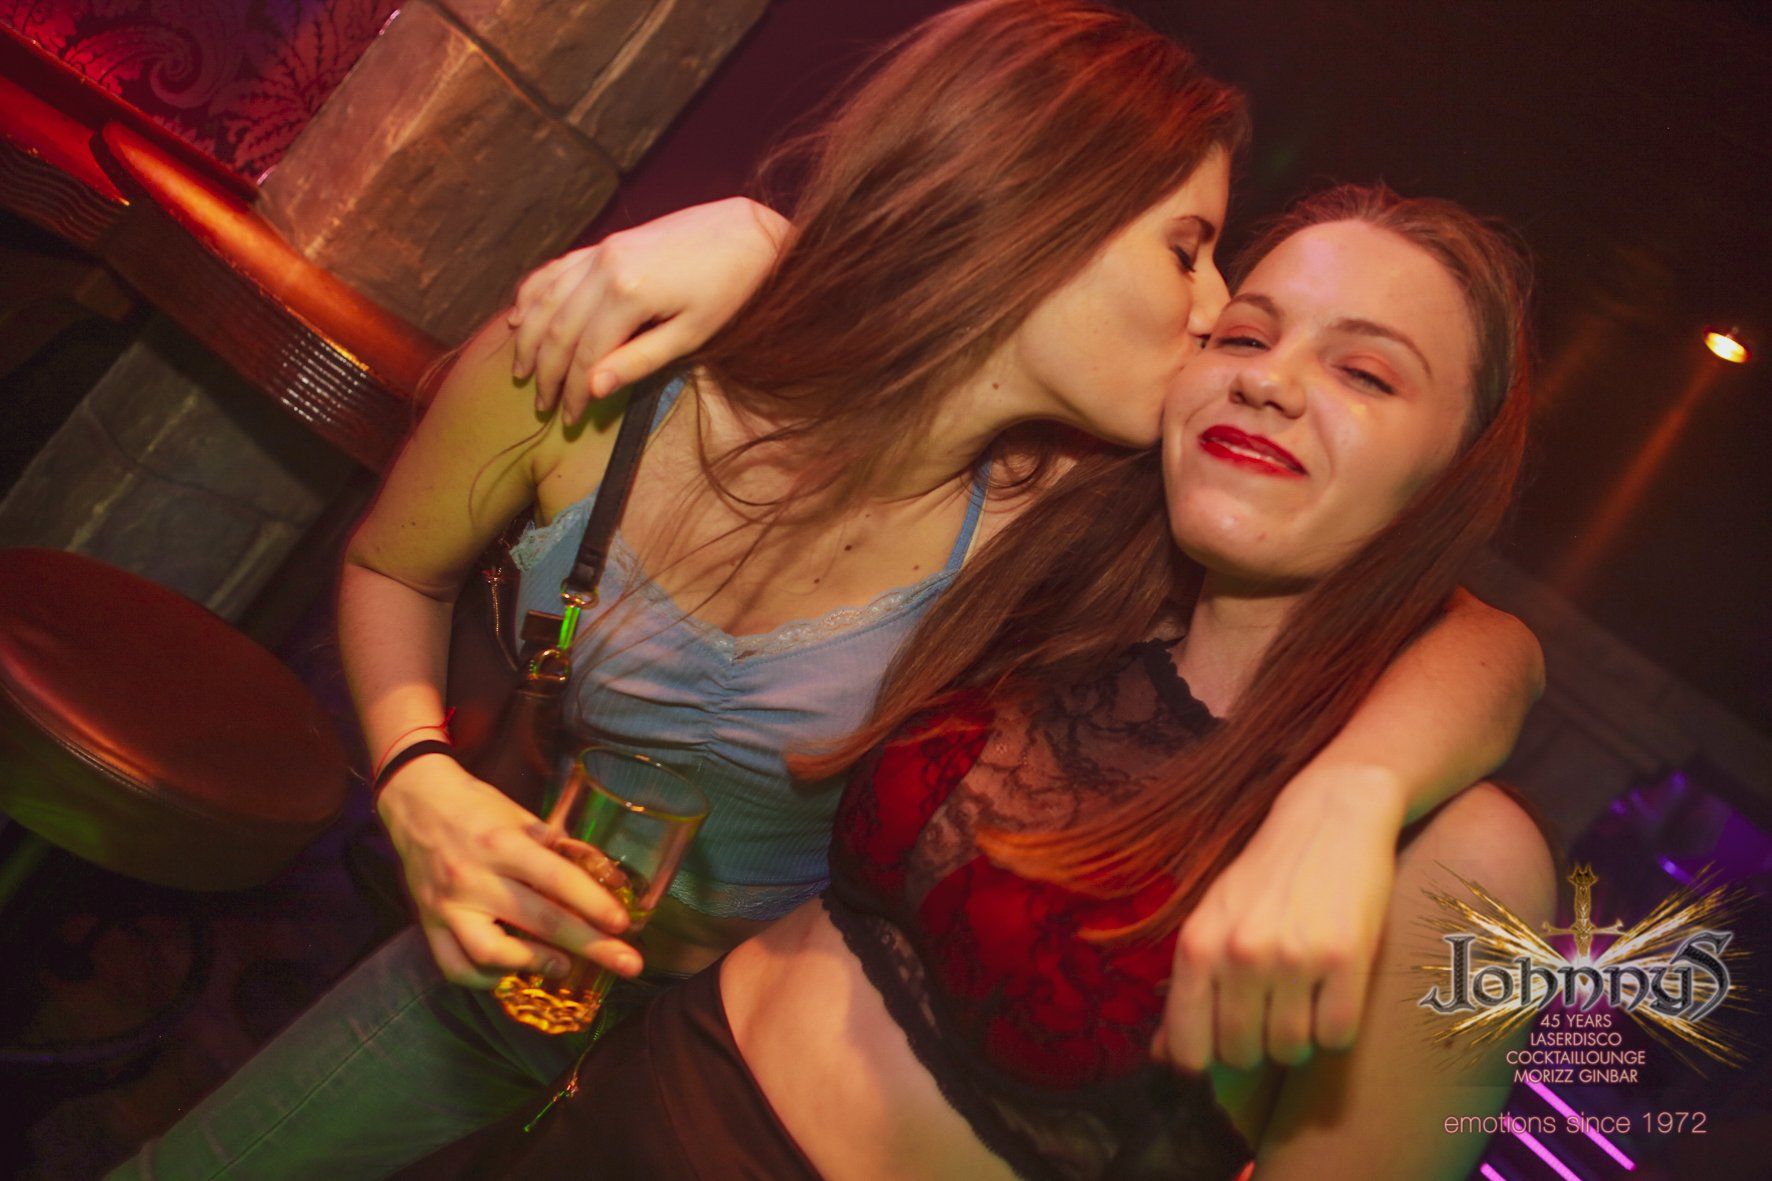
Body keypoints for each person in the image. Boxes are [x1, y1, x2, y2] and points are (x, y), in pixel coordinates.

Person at [112, 4, 1538, 1178]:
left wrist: (1352, 795)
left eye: (1361, 367)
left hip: (710, 1043)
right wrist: (416, 775)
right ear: (1039, 203)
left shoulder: (1066, 524)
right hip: (514, 979)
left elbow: (1473, 635)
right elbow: (391, 563)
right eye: (1196, 258)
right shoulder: (608, 369)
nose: (1218, 320)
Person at [501, 182, 1557, 1181]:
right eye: (1244, 335)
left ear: (1452, 475)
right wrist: (757, 238)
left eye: (1365, 373)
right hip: (611, 1103)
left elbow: (1496, 641)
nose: (1268, 378)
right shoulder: (1077, 582)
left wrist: (1352, 792)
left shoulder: (1462, 858)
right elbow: (948, 333)